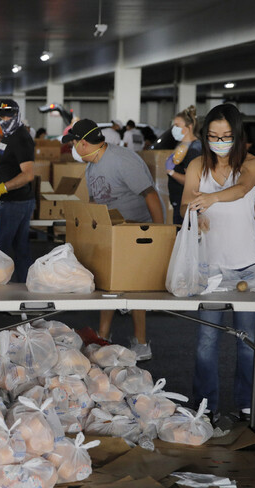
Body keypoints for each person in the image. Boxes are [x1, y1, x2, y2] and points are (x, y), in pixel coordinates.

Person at [181, 103, 255, 425]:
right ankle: (206, 405)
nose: (220, 141)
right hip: (209, 266)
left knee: (246, 342)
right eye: (213, 136)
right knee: (206, 342)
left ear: (238, 135)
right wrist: (194, 213)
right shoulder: (196, 165)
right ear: (205, 137)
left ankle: (245, 404)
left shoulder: (251, 165)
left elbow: (242, 189)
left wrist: (211, 198)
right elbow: (187, 199)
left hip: (247, 264)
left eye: (226, 136)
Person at [62, 118, 164, 360]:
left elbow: (149, 194)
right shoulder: (92, 166)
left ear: (84, 144)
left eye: (74, 144)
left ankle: (141, 343)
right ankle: (103, 336)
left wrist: (161, 232)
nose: (72, 149)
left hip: (137, 231)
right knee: (107, 284)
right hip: (112, 231)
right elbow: (98, 202)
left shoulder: (122, 160)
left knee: (136, 287)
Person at [0, 99, 36, 283]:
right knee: (21, 247)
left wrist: (3, 187)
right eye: (1, 116)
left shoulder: (21, 138)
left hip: (15, 201)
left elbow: (28, 174)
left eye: (9, 115)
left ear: (17, 115)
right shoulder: (8, 136)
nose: (5, 119)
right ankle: (25, 288)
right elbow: (10, 162)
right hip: (14, 201)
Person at [166, 105, 203, 224]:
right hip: (179, 202)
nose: (174, 128)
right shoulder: (183, 145)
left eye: (177, 125)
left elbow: (191, 181)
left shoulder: (194, 150)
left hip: (187, 205)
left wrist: (171, 172)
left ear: (189, 127)